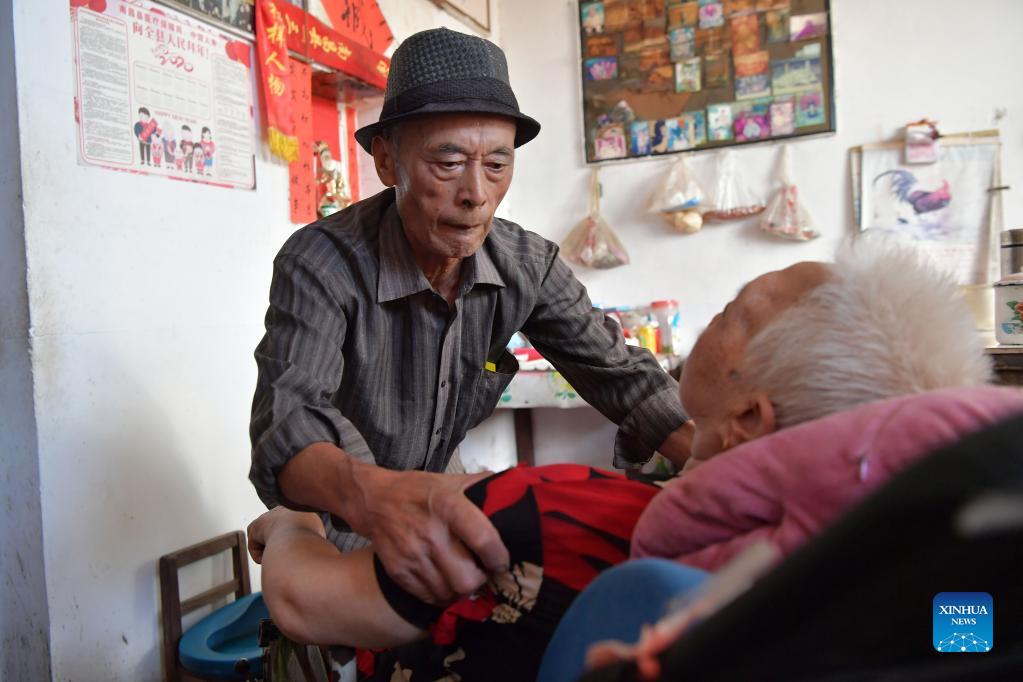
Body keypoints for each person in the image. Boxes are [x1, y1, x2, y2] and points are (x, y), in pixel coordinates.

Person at [248, 241, 994, 681]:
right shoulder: (922, 591)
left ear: (747, 419)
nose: (472, 186)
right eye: (450, 160)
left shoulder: (543, 510)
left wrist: (291, 524)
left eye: (737, 308)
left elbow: (304, 601)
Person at [248, 26, 692, 610]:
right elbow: (289, 418)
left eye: (497, 163)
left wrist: (727, 464)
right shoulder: (322, 262)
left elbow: (625, 378)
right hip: (339, 505)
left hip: (436, 490)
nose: (476, 193)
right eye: (449, 161)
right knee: (333, 616)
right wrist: (386, 503)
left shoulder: (525, 263)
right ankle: (292, 532)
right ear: (387, 160)